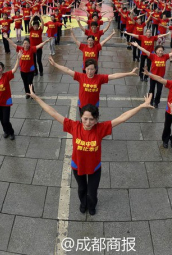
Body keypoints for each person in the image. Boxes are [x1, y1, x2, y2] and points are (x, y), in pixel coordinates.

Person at [28, 85, 153, 215]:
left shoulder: (101, 128)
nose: (88, 122)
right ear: (81, 117)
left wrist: (141, 106)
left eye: (91, 119)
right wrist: (36, 98)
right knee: (82, 189)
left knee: (92, 192)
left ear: (96, 119)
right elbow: (53, 112)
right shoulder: (73, 126)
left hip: (94, 168)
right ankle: (83, 203)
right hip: (78, 167)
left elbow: (122, 117)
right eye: (85, 119)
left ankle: (92, 205)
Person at [49, 57, 137, 109]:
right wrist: (55, 64)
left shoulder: (100, 78)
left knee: (93, 121)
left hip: (94, 105)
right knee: (84, 120)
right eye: (88, 69)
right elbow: (67, 70)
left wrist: (129, 73)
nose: (90, 71)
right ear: (85, 69)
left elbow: (114, 76)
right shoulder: (80, 76)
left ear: (95, 70)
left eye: (92, 69)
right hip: (82, 104)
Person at [132, 43, 172, 107]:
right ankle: (150, 101)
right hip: (153, 77)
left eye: (162, 50)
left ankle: (156, 102)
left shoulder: (165, 56)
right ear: (156, 51)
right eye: (159, 50)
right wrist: (137, 46)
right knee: (151, 90)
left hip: (161, 78)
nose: (161, 52)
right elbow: (144, 50)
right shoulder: (153, 56)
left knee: (159, 91)